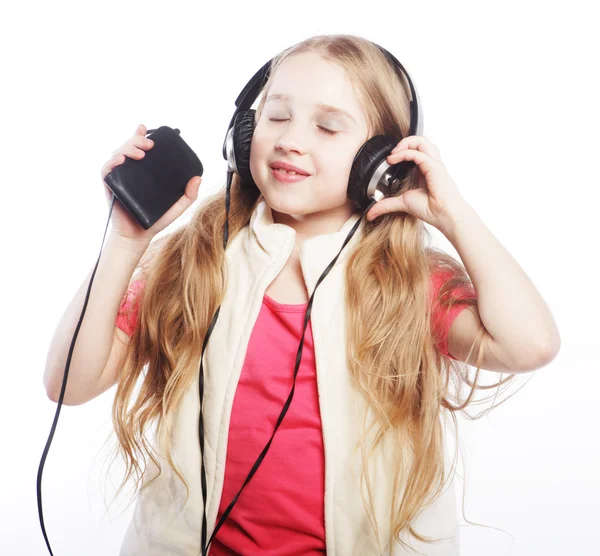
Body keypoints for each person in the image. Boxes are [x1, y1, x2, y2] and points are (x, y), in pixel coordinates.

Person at [44, 34, 560, 556]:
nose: (291, 140)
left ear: (382, 161)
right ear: (242, 135)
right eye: (276, 116)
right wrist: (126, 242)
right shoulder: (196, 262)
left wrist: (454, 215)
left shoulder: (404, 282)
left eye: (328, 126)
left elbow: (530, 344)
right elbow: (69, 384)